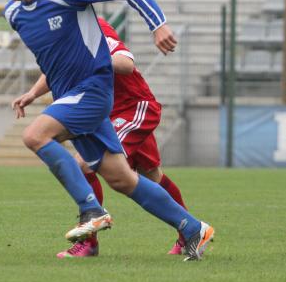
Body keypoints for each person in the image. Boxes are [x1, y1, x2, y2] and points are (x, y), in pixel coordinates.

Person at [4, 0, 214, 261]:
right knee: (122, 179)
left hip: (93, 92)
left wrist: (158, 24)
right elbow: (56, 60)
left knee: (35, 135)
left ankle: (91, 210)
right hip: (73, 98)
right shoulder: (14, 14)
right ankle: (192, 228)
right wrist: (34, 93)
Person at [14, 16, 193, 258]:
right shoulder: (62, 31)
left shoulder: (92, 27)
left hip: (133, 107)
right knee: (152, 175)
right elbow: (56, 70)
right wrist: (33, 93)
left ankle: (89, 243)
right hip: (105, 114)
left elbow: (126, 63)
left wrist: (89, 59)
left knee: (84, 164)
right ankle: (190, 232)